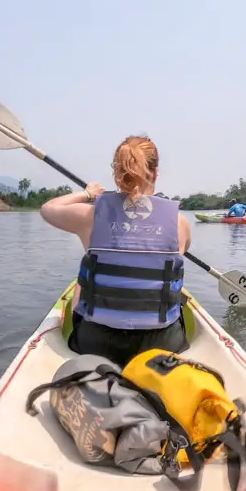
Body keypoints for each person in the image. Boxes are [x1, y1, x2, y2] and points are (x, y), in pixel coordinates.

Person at [39, 135, 193, 366]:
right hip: (161, 345)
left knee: (84, 279)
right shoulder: (180, 224)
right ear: (155, 173)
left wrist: (88, 194)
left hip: (96, 343)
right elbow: (181, 251)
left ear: (118, 174)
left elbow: (48, 209)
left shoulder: (89, 216)